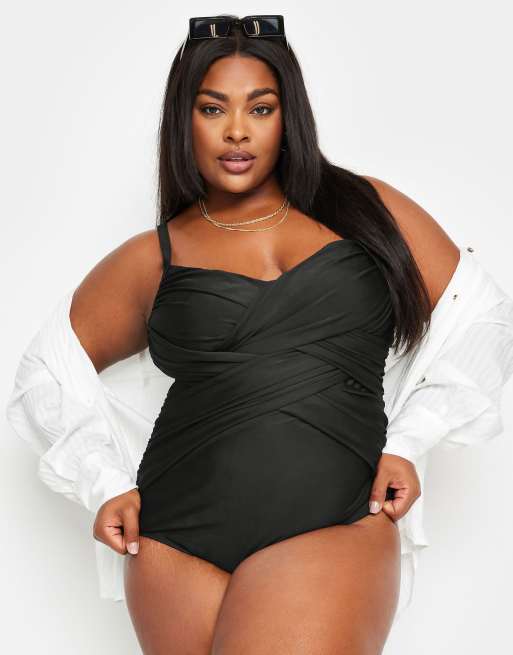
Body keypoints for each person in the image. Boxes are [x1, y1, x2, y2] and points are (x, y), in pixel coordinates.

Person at [7, 14, 512, 655]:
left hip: (334, 520)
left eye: (261, 108)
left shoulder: (368, 211)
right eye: (213, 108)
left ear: (288, 116)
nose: (237, 131)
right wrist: (103, 482)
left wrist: (411, 441)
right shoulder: (154, 256)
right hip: (174, 540)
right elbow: (45, 373)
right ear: (183, 120)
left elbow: (482, 318)